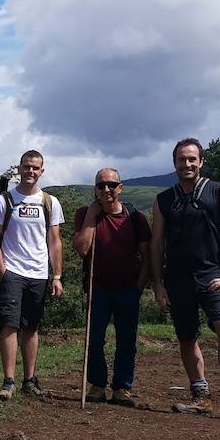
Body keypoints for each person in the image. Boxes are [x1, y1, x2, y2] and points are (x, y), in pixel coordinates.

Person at [150, 138, 220, 423]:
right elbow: (156, 244)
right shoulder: (163, 200)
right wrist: (157, 284)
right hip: (177, 278)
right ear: (174, 163)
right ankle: (201, 397)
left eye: (192, 159)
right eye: (182, 159)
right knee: (186, 337)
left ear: (201, 161)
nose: (187, 164)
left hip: (213, 275)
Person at [0, 150, 64, 401]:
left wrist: (57, 275)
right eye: (26, 167)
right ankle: (8, 381)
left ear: (42, 171)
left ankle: (29, 380)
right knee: (9, 325)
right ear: (18, 169)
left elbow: (54, 241)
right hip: (13, 272)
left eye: (35, 168)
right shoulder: (4, 201)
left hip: (40, 273)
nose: (30, 171)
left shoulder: (50, 202)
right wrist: (2, 269)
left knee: (31, 328)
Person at [72, 168, 152, 405]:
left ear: (120, 187)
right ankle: (97, 385)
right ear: (95, 189)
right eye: (100, 186)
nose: (106, 189)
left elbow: (147, 257)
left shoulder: (135, 217)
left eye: (111, 185)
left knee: (126, 341)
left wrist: (139, 287)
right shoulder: (85, 214)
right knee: (94, 340)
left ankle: (122, 388)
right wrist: (90, 218)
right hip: (97, 289)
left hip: (128, 288)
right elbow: (82, 249)